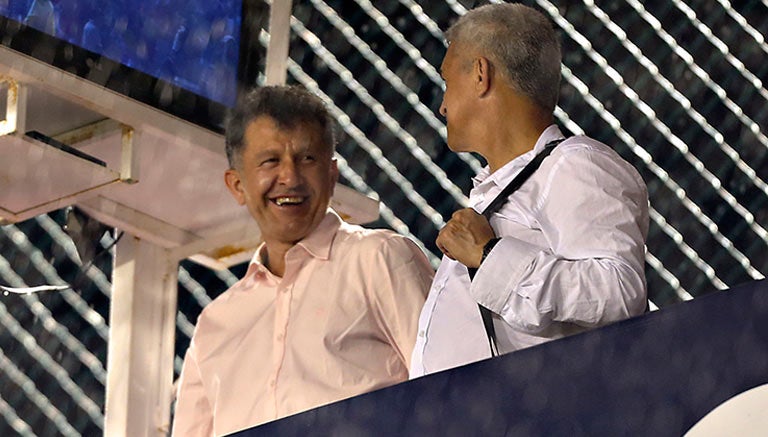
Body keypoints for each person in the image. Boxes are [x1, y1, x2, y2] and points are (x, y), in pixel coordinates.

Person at [172, 85, 434, 436]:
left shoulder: (379, 260)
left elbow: (449, 392)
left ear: (332, 175)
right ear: (237, 185)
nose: (290, 178)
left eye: (307, 159)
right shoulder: (215, 325)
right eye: (270, 161)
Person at [410, 3, 649, 377]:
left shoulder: (573, 165)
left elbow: (619, 294)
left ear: (479, 74)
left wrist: (489, 256)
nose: (441, 105)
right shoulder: (511, 183)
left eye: (446, 81)